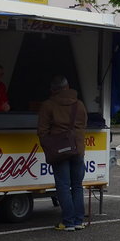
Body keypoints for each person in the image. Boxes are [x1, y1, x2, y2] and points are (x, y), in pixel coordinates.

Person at [37, 75, 87, 231]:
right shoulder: (79, 104)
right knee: (77, 185)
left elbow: (42, 131)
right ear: (68, 87)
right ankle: (79, 221)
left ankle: (68, 222)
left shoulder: (48, 105)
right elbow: (84, 124)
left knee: (63, 186)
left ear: (53, 90)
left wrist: (49, 146)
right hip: (77, 149)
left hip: (59, 150)